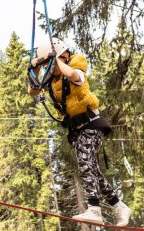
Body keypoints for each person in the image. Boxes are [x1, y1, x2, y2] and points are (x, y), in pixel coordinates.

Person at [28, 38, 132, 226]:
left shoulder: (77, 64)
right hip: (75, 130)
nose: (48, 69)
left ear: (64, 56)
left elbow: (74, 77)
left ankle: (94, 209)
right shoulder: (51, 79)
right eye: (46, 66)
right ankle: (119, 206)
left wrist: (54, 59)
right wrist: (35, 68)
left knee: (85, 163)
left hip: (91, 124)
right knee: (90, 168)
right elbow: (32, 91)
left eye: (50, 64)